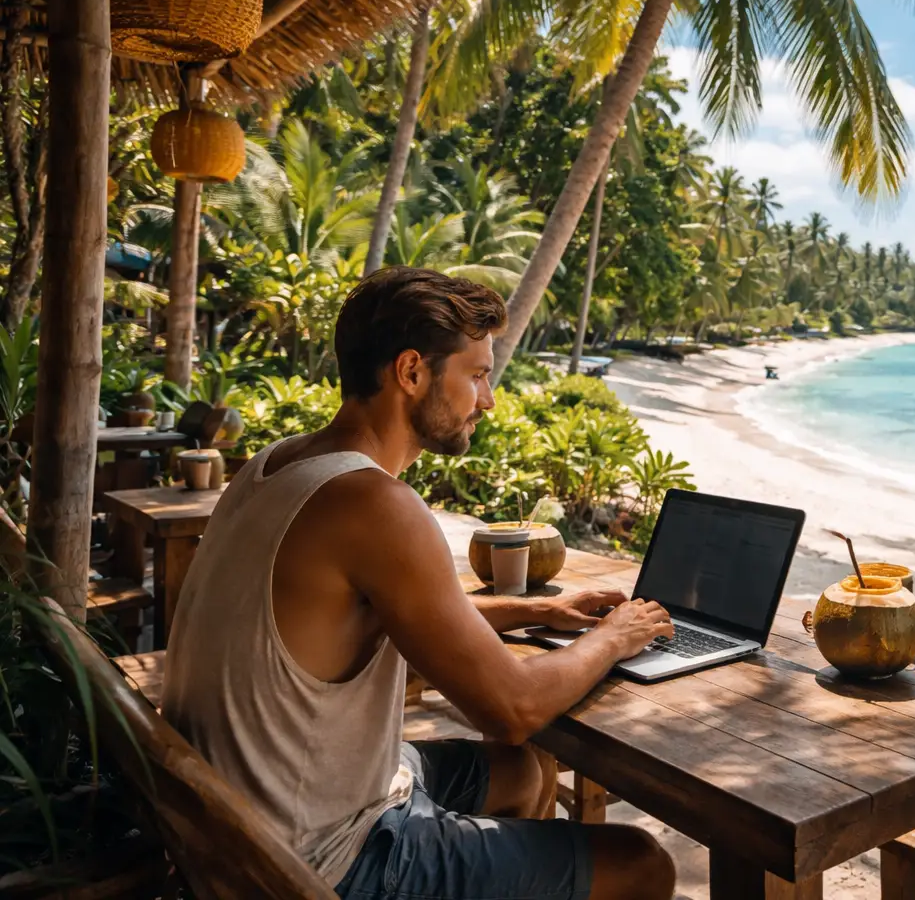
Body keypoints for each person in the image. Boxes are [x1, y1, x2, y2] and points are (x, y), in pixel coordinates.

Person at [162, 267, 677, 900]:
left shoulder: (281, 461)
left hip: (240, 817)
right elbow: (513, 709)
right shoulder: (373, 502)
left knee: (518, 774)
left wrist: (544, 608)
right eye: (478, 375)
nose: (486, 400)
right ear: (411, 372)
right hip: (309, 859)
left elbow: (401, 612)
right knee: (641, 862)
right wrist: (615, 637)